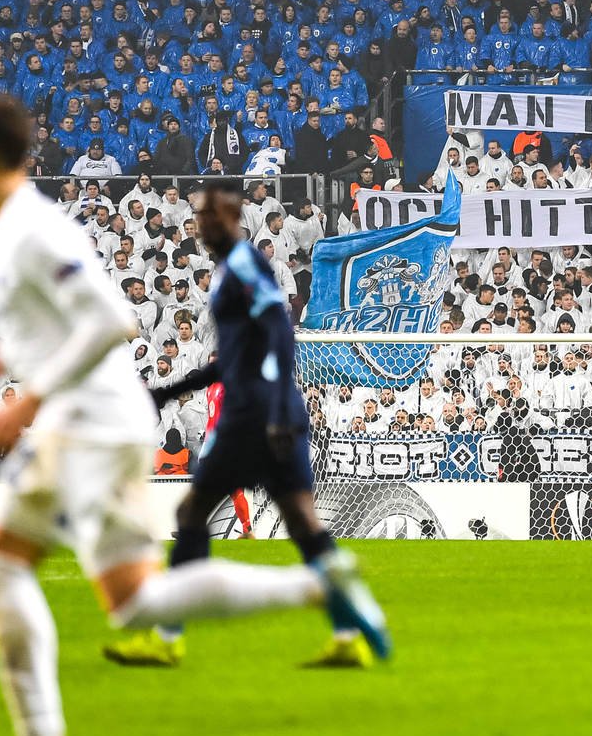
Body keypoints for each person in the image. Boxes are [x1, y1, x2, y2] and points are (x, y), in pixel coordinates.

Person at [0, 95, 384, 736]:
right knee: (136, 602)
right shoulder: (11, 229)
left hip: (90, 423)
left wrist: (24, 401)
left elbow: (113, 320)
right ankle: (317, 587)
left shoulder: (30, 228)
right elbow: (66, 331)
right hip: (100, 419)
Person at [105, 182, 387, 670]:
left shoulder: (243, 265)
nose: (204, 225)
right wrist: (170, 392)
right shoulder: (229, 270)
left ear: (235, 219)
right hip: (267, 411)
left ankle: (167, 638)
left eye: (213, 217)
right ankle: (351, 630)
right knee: (301, 524)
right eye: (200, 217)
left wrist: (274, 411)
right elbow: (235, 358)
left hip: (256, 416)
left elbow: (279, 333)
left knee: (193, 515)